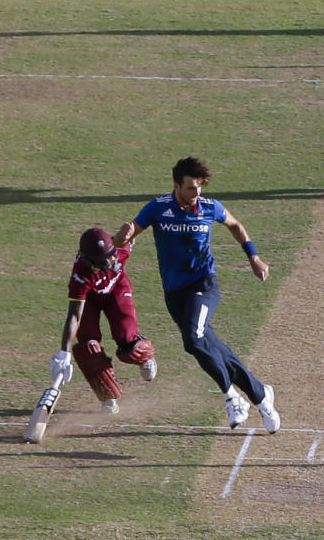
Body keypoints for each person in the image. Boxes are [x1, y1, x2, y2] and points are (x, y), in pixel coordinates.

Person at [112, 156, 280, 433]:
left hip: (203, 285)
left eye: (200, 187)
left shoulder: (210, 207)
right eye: (191, 188)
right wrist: (120, 237)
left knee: (193, 340)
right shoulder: (158, 208)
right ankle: (261, 395)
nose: (197, 193)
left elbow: (235, 225)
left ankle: (232, 397)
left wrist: (254, 258)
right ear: (177, 186)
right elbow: (125, 237)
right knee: (211, 347)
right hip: (174, 293)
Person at [49, 227, 158, 414]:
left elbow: (136, 227)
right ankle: (107, 396)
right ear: (86, 258)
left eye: (110, 256)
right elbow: (75, 315)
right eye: (101, 261)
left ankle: (145, 357)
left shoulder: (120, 249)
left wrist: (131, 228)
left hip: (117, 290)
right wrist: (64, 353)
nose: (108, 263)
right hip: (90, 299)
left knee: (127, 340)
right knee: (88, 347)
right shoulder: (80, 276)